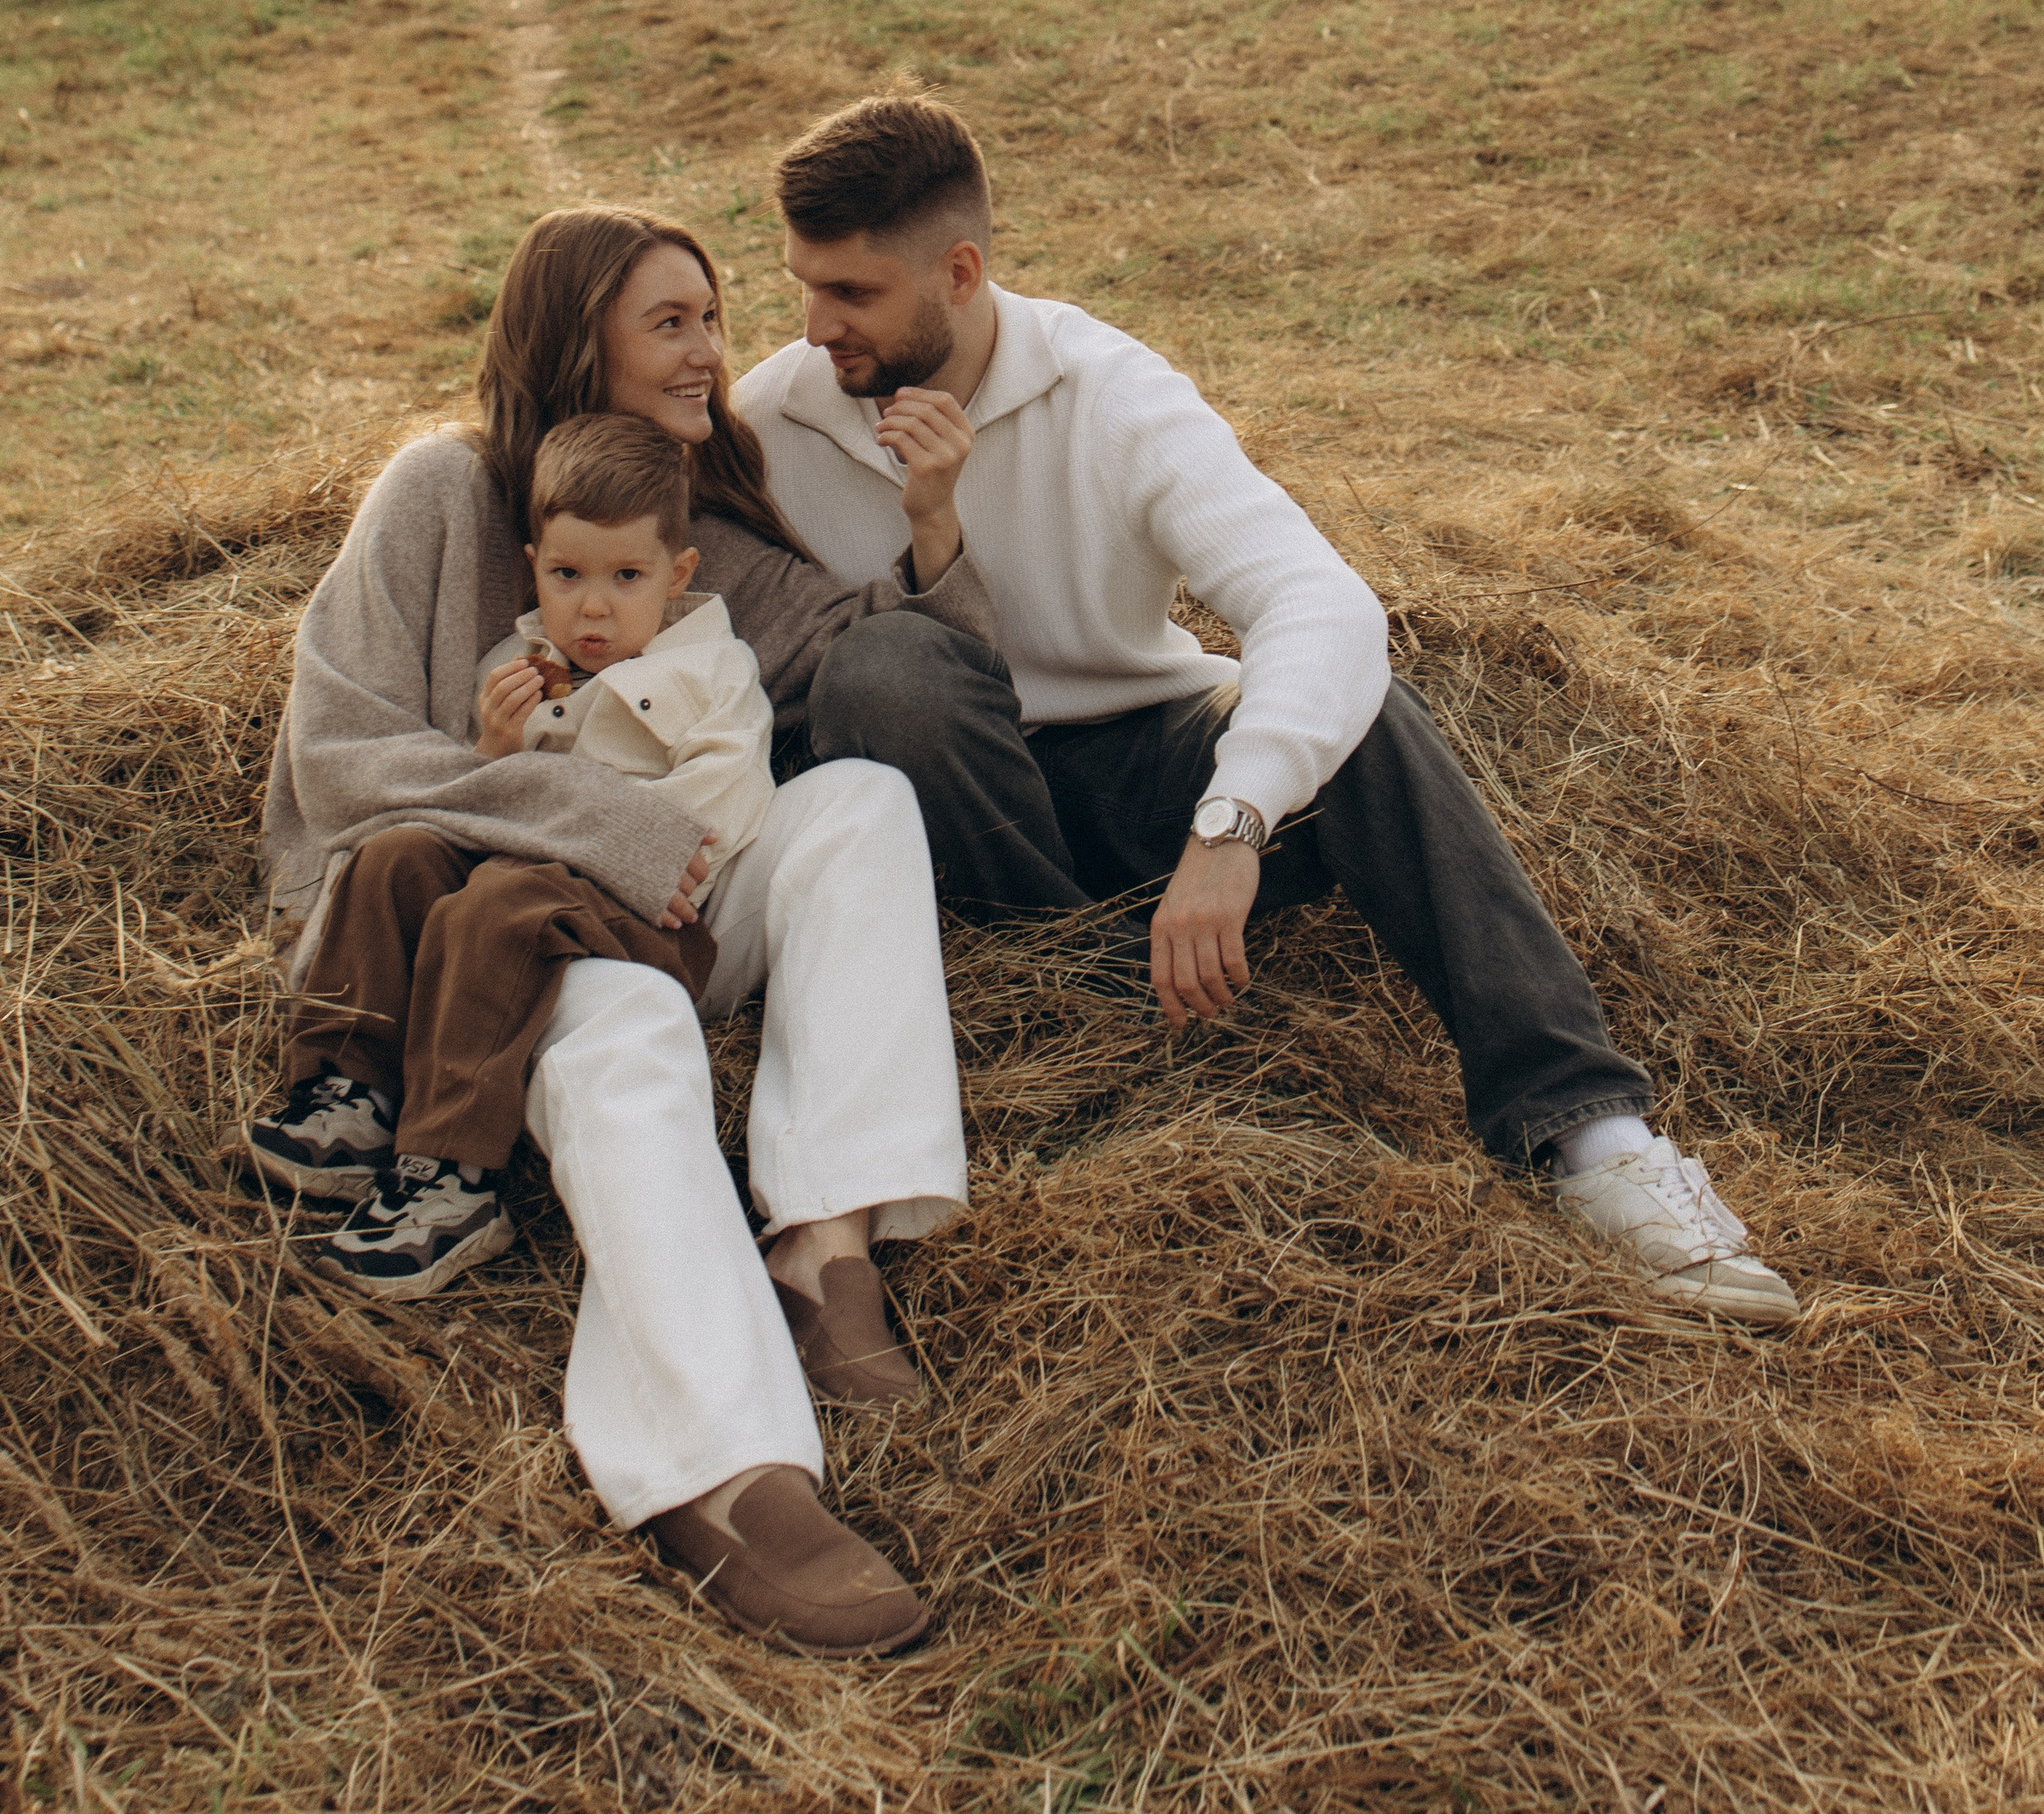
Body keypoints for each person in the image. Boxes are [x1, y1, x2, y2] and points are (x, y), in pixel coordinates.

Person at [736, 93, 1800, 1329]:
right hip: (940, 810)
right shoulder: (779, 416)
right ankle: (1084, 1007)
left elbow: (1322, 603)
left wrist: (1231, 823)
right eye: (801, 287)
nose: (816, 327)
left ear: (961, 273)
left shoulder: (1108, 392)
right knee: (890, 672)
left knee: (1369, 717)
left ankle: (1590, 1134)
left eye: (851, 295)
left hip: (1139, 770)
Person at [260, 205, 994, 1654]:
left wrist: (934, 529)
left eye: (715, 321)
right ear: (571, 331)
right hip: (485, 945)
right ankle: (728, 1473)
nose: (713, 353)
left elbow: (891, 657)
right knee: (631, 1026)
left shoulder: (693, 527)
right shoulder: (437, 497)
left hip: (664, 897)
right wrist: (601, 825)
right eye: (674, 322)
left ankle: (827, 1244)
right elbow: (343, 764)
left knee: (855, 802)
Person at [248, 412, 781, 1304]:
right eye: (568, 575)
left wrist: (621, 839)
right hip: (515, 868)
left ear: (677, 575)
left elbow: (716, 808)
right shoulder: (518, 660)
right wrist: (492, 747)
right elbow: (478, 801)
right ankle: (346, 1086)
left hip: (645, 915)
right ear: (533, 563)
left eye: (626, 577)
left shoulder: (711, 670)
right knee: (400, 857)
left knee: (489, 910)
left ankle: (451, 1175)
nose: (595, 606)